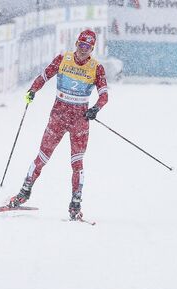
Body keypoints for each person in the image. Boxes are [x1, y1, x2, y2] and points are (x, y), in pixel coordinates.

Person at [9, 29, 108, 220]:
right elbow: (44, 76)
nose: (83, 50)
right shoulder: (63, 59)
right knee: (42, 156)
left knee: (77, 163)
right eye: (81, 45)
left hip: (80, 121)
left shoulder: (97, 68)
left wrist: (95, 109)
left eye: (87, 47)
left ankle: (75, 205)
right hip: (58, 117)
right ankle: (24, 193)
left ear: (92, 49)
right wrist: (32, 90)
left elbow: (104, 95)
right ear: (76, 44)